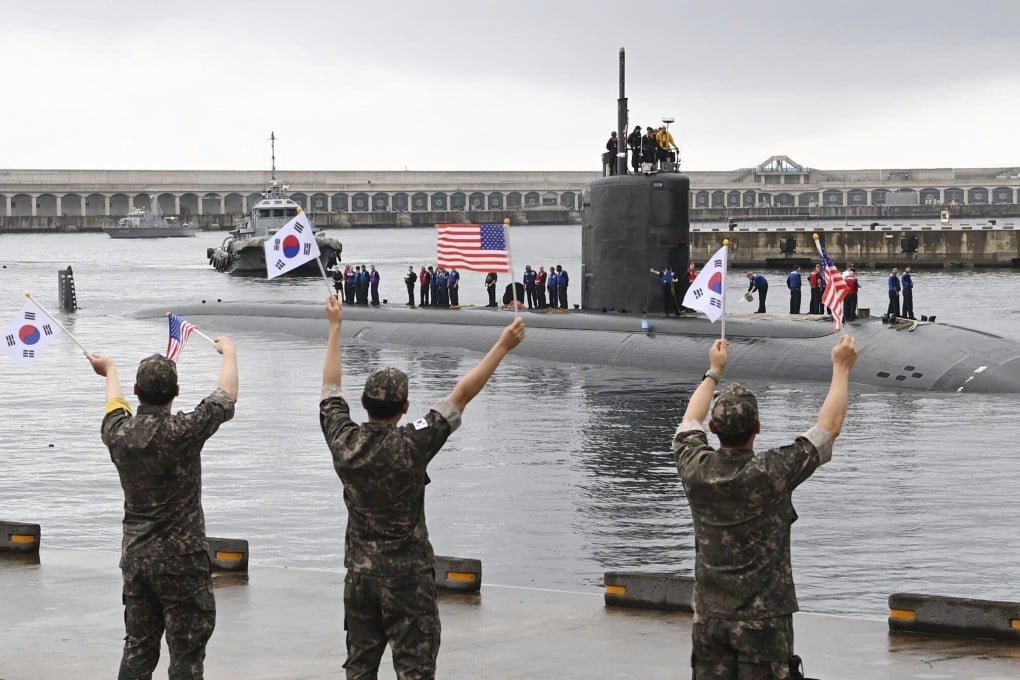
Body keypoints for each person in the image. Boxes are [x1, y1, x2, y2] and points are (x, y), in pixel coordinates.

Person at [319, 295, 525, 679]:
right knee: (415, 670)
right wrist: (503, 345)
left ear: (363, 403)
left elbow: (330, 388)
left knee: (359, 668)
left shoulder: (343, 441)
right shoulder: (413, 442)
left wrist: (334, 326)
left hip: (360, 578)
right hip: (408, 580)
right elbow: (461, 395)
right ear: (405, 406)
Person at [673, 335, 858, 679]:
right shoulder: (771, 471)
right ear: (757, 427)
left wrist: (714, 371)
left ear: (714, 429)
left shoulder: (695, 468)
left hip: (710, 621)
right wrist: (841, 367)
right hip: (764, 625)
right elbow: (828, 428)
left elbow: (689, 421)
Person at [88, 341, 239, 680]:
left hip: (137, 558)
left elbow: (114, 405)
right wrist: (229, 352)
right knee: (186, 654)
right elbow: (226, 395)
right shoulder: (183, 431)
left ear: (137, 390)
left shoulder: (118, 433)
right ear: (177, 391)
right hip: (182, 561)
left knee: (139, 648)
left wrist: (110, 370)